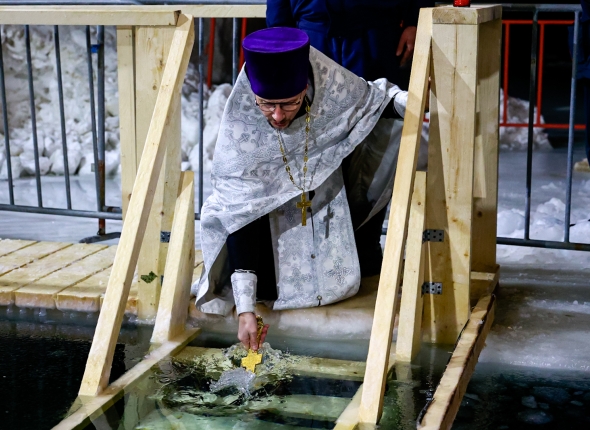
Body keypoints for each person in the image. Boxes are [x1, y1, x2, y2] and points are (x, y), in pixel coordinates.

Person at [192, 27, 408, 351]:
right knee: (246, 210)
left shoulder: (329, 88)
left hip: (326, 225)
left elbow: (375, 102)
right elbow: (239, 216)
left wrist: (413, 102)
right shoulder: (239, 135)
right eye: (267, 104)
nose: (278, 116)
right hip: (265, 251)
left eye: (289, 103)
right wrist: (246, 309)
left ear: (305, 88)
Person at [266, 0, 434, 275]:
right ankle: (322, 253)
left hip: (375, 38)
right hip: (312, 42)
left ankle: (365, 247)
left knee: (375, 147)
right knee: (317, 152)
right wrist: (280, 38)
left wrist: (417, 21)